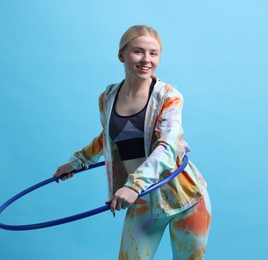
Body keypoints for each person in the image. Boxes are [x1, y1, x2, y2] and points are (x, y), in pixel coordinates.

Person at [53, 25, 211, 260]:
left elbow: (167, 147)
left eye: (153, 53)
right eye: (138, 51)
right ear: (122, 55)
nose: (146, 59)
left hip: (185, 197)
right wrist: (77, 162)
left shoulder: (169, 96)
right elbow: (110, 136)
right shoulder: (107, 97)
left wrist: (133, 185)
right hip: (142, 201)